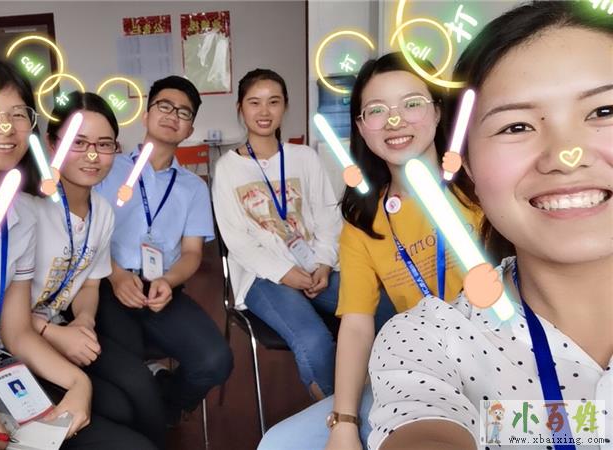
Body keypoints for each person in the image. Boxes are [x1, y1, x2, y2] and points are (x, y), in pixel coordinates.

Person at [367, 2, 612, 449]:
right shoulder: (428, 341)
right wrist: (343, 419)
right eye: (516, 126)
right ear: (471, 167)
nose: (566, 155)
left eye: (604, 111)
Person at [0, 59, 156, 449]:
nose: (6, 127)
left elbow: (16, 329)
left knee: (120, 417)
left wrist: (79, 383)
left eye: (18, 114)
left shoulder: (21, 216)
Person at [258, 52, 483, 450]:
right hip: (423, 369)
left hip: (506, 361)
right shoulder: (363, 221)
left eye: (411, 104)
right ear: (362, 128)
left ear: (436, 110)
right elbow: (357, 325)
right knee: (279, 444)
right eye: (377, 110)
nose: (395, 121)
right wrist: (343, 422)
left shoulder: (480, 182)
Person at [29, 91, 166, 448]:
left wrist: (84, 322)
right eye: (78, 142)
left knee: (141, 383)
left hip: (64, 327)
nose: (92, 155)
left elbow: (89, 284)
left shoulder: (102, 212)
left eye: (104, 144)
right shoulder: (27, 208)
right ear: (51, 143)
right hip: (20, 339)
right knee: (119, 409)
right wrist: (55, 335)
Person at [94, 75, 233, 425]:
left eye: (184, 113)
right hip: (107, 286)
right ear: (146, 115)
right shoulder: (108, 168)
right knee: (126, 373)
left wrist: (168, 282)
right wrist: (116, 274)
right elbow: (87, 234)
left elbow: (192, 253)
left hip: (161, 289)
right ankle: (146, 406)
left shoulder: (193, 187)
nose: (173, 115)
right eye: (164, 106)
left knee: (216, 361)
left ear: (189, 129)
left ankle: (164, 400)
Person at [212, 68, 342, 400]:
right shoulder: (227, 168)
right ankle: (336, 417)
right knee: (314, 340)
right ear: (240, 108)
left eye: (273, 101)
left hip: (316, 267)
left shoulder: (304, 157)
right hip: (261, 278)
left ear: (285, 106)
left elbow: (328, 216)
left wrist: (324, 263)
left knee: (379, 307)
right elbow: (237, 241)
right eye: (254, 102)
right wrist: (285, 273)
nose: (264, 111)